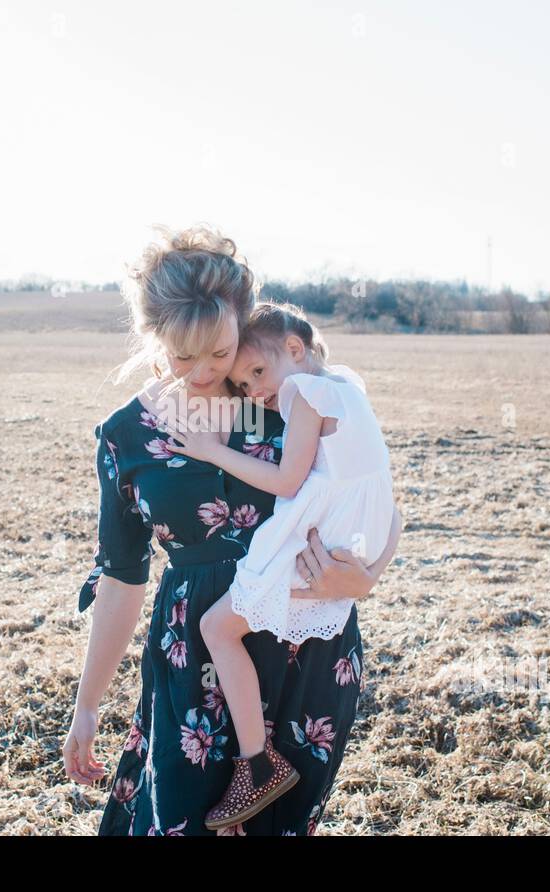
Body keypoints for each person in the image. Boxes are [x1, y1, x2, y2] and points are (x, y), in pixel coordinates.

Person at [62, 224, 402, 835]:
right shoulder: (126, 436)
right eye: (181, 354)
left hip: (306, 652)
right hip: (191, 659)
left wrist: (365, 579)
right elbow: (120, 577)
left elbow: (374, 492)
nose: (201, 371)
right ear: (153, 338)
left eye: (219, 353)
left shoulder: (288, 400)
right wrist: (87, 705)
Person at [162, 300, 395, 830]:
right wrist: (372, 568)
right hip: (351, 541)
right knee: (232, 629)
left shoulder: (306, 394)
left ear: (295, 349)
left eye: (258, 373)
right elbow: (391, 507)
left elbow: (288, 482)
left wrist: (210, 450)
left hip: (313, 540)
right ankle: (260, 760)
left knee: (216, 628)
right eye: (243, 385)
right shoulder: (348, 388)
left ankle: (258, 764)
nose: (255, 392)